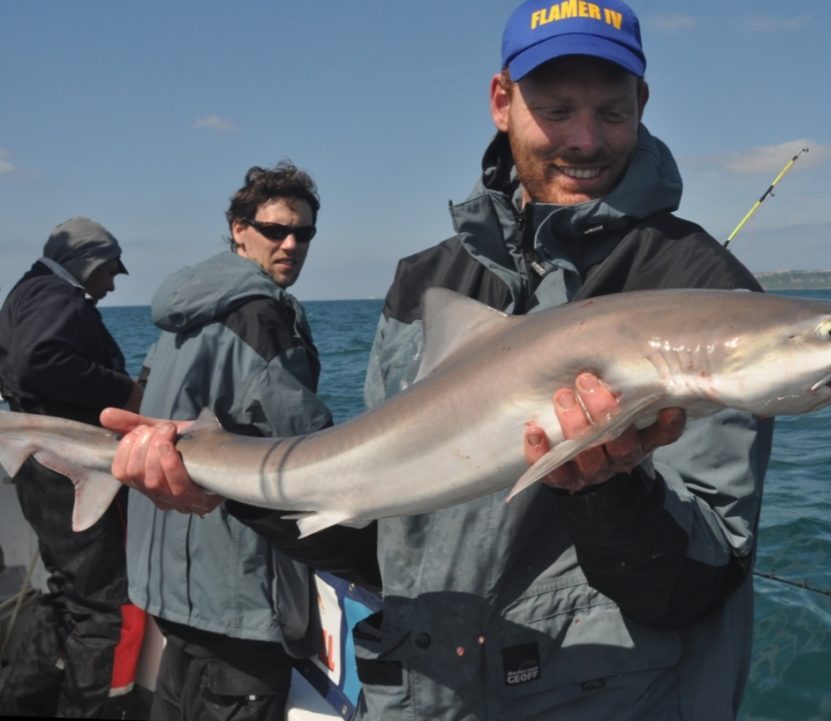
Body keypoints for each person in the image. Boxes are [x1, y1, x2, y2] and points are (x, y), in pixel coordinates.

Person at [103, 2, 773, 718]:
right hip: (418, 698)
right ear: (501, 102)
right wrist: (221, 482)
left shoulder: (702, 291)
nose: (585, 139)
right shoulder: (426, 284)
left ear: (643, 104)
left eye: (612, 112)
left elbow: (696, 584)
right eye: (556, 109)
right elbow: (380, 539)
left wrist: (606, 489)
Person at [120, 162, 365, 721]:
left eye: (303, 233)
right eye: (274, 230)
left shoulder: (181, 316)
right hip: (237, 593)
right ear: (238, 228)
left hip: (170, 586)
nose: (290, 244)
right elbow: (308, 458)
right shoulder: (262, 318)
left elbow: (143, 407)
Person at [0, 217, 145, 718]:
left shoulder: (24, 293)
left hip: (39, 470)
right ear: (91, 264)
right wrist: (124, 390)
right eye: (111, 273)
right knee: (101, 608)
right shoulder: (59, 298)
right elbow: (35, 362)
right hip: (71, 471)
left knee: (64, 594)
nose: (109, 287)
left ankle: (21, 702)